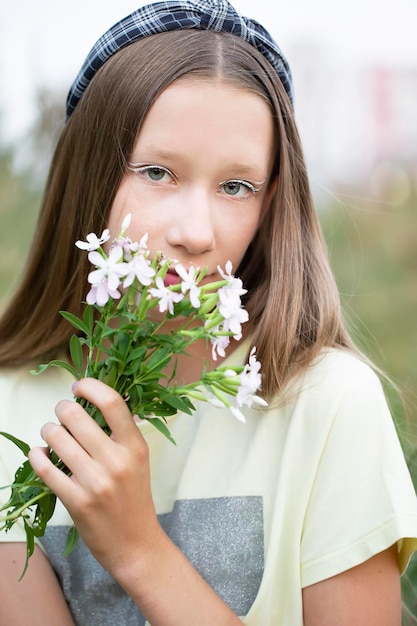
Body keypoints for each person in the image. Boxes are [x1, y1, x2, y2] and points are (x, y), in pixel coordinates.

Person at [0, 1, 416, 624]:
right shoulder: (13, 399)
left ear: (271, 201)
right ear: (88, 176)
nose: (194, 232)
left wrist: (140, 551)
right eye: (157, 172)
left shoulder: (328, 404)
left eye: (235, 187)